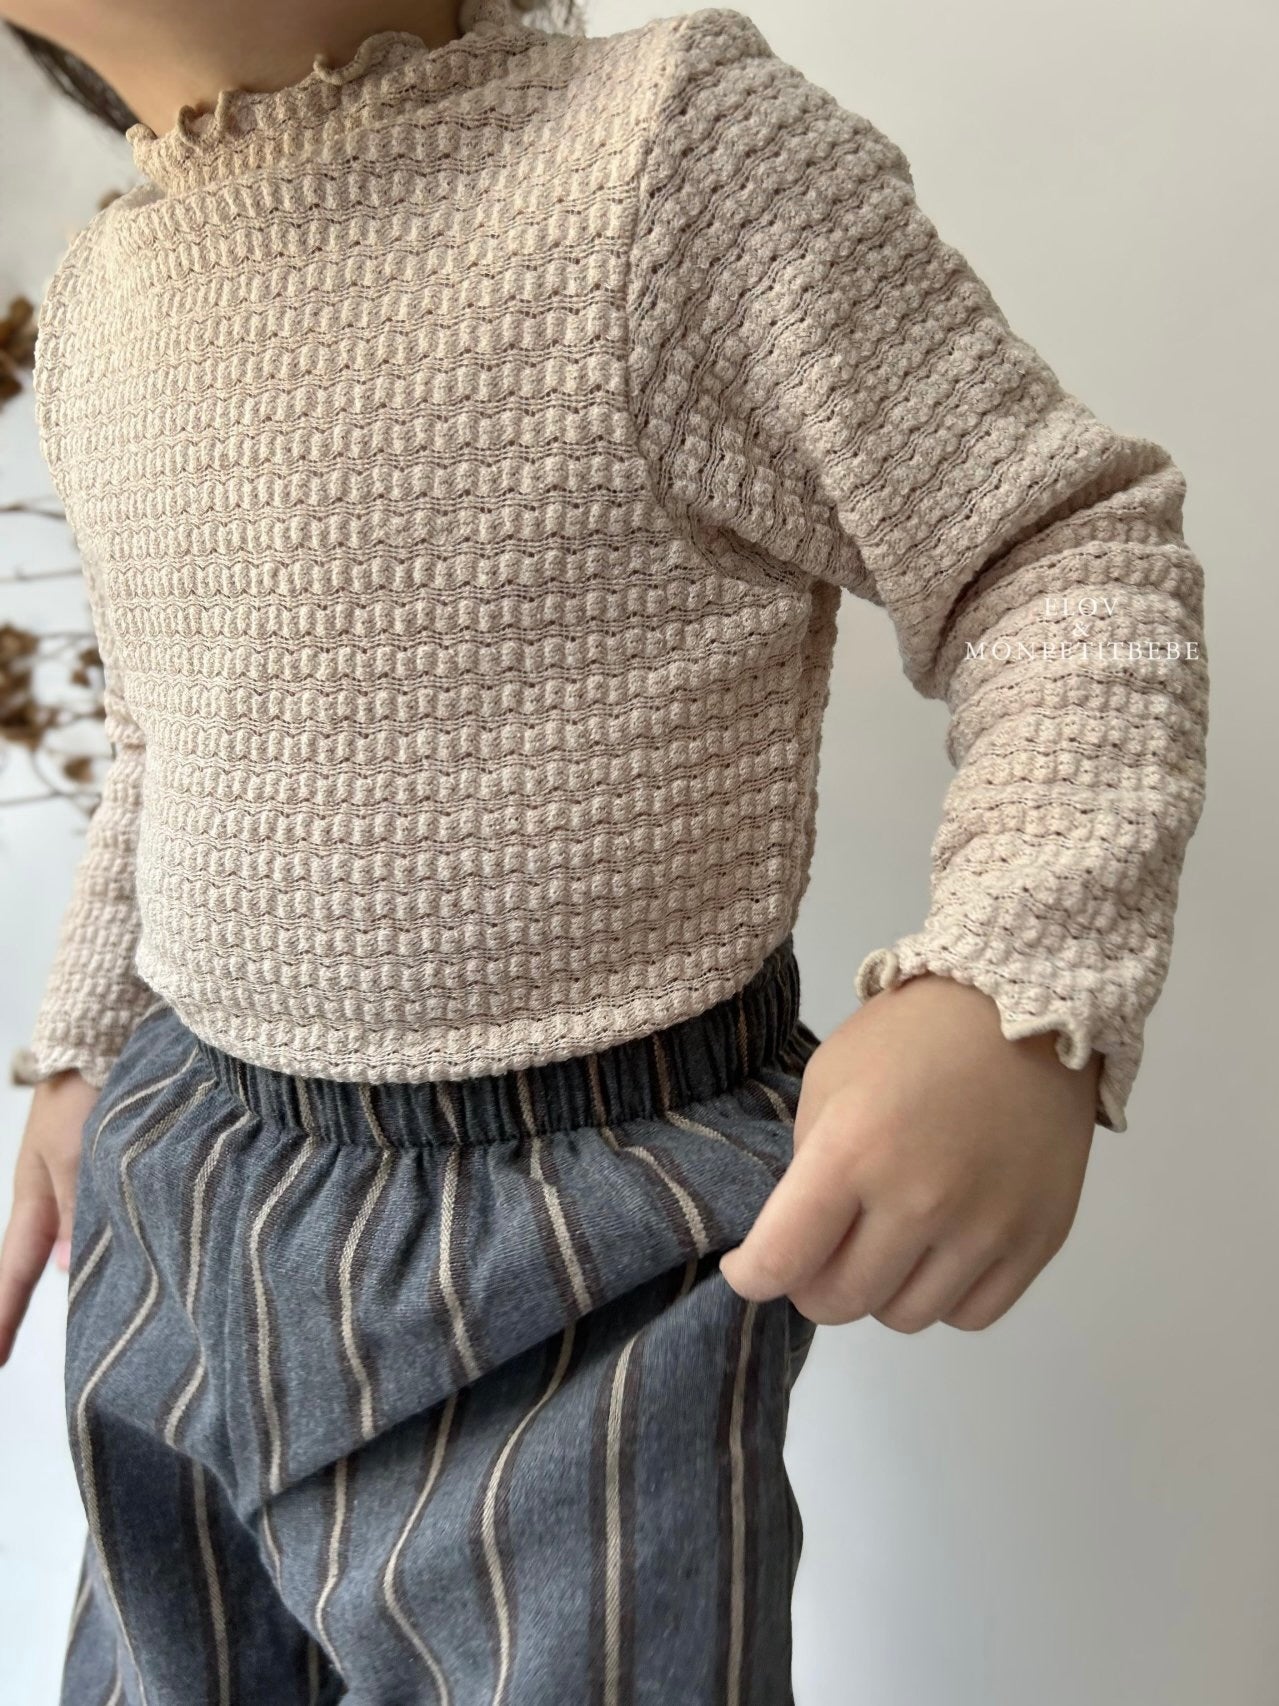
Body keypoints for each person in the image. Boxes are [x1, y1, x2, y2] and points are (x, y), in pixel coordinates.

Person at [0, 0, 1210, 1700]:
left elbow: (1056, 546)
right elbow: (162, 732)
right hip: (184, 1188)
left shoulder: (665, 160)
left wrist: (1016, 973)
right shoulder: (102, 303)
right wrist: (84, 1046)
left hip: (583, 1268)